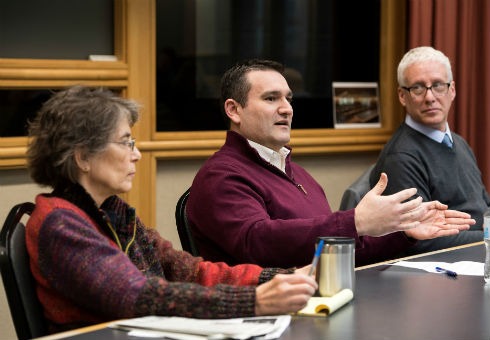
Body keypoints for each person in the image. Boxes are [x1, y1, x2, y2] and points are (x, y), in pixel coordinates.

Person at [25, 85, 318, 334]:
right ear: (83, 157)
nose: (137, 155)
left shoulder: (112, 212)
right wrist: (255, 301)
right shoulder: (60, 223)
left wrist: (278, 278)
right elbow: (136, 296)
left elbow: (187, 270)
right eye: (126, 143)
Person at [186, 59, 476, 269]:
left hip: (322, 299)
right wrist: (354, 222)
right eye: (271, 98)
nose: (287, 108)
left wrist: (404, 233)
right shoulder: (221, 176)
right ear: (233, 110)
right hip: (268, 316)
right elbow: (258, 241)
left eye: (288, 98)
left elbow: (338, 251)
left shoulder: (297, 173)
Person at [369, 46, 488, 255]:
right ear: (402, 96)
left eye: (438, 85)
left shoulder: (460, 144)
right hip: (443, 273)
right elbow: (424, 241)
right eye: (417, 88)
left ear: (452, 90)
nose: (430, 97)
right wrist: (487, 237)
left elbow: (483, 206)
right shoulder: (401, 157)